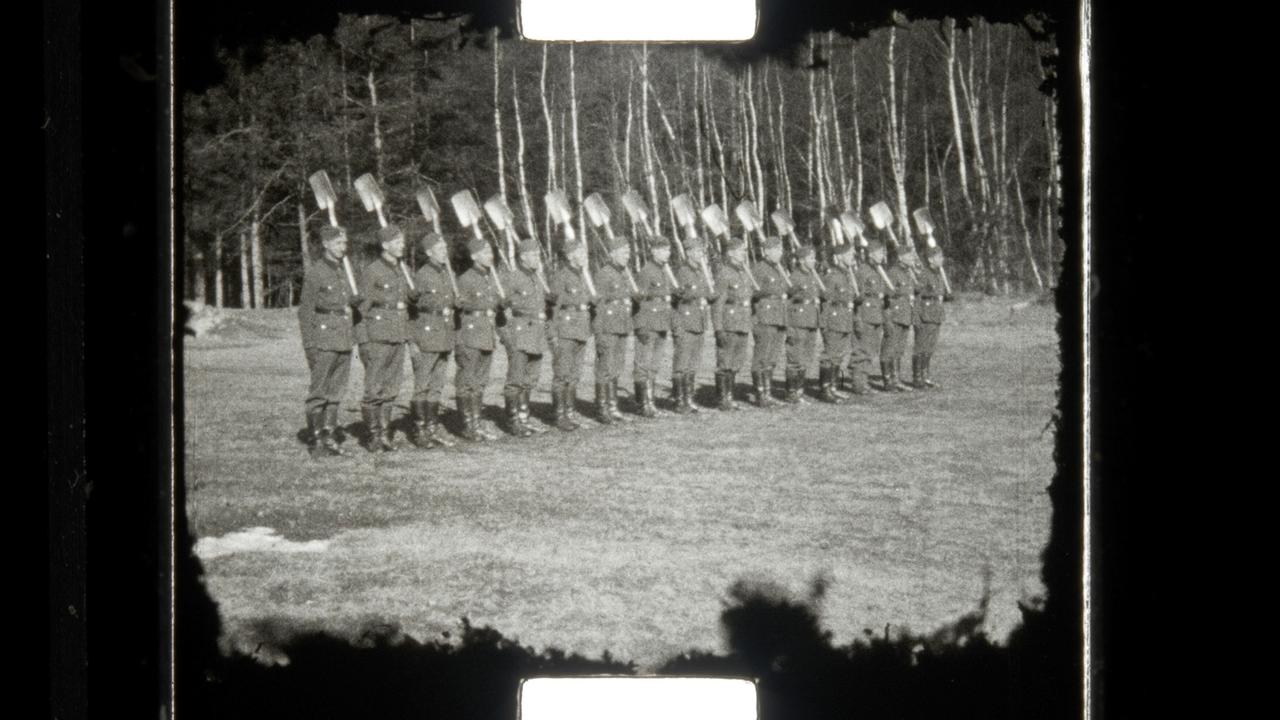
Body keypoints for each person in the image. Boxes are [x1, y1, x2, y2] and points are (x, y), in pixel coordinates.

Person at [297, 225, 358, 457]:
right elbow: (305, 311)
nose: (344, 248)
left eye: (344, 243)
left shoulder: (342, 270)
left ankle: (330, 436)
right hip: (323, 340)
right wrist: (309, 344)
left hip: (342, 339)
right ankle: (317, 441)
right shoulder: (317, 272)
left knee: (336, 392)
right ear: (326, 244)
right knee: (319, 393)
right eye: (339, 244)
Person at [354, 224, 412, 452]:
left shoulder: (402, 269)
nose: (402, 245)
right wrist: (363, 340)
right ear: (385, 245)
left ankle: (385, 434)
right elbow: (362, 309)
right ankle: (373, 436)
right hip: (376, 337)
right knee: (374, 389)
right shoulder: (373, 271)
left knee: (391, 388)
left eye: (402, 241)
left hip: (397, 336)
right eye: (397, 242)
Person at [406, 232, 458, 449]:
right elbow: (410, 309)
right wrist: (412, 340)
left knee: (437, 386)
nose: (445, 252)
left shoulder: (448, 273)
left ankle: (432, 428)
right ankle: (420, 430)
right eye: (440, 249)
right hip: (426, 335)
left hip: (444, 334)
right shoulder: (422, 275)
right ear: (429, 253)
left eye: (446, 248)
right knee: (422, 385)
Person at [499, 238, 550, 437]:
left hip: (537, 333)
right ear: (522, 257)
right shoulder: (514, 277)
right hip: (520, 333)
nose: (538, 258)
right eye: (534, 255)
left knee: (531, 378)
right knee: (516, 379)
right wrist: (506, 335)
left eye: (538, 254)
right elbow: (502, 305)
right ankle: (512, 421)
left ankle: (524, 417)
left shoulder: (536, 277)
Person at [453, 237, 503, 441]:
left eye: (491, 252)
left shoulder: (489, 277)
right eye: (485, 252)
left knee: (480, 382)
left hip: (486, 333)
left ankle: (477, 422)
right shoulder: (466, 278)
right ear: (474, 256)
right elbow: (460, 305)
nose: (490, 256)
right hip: (471, 334)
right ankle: (468, 426)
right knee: (468, 381)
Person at [548, 239, 593, 431]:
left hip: (581, 330)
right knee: (562, 374)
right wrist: (552, 334)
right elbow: (553, 308)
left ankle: (570, 413)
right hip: (565, 331)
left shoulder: (583, 276)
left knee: (574, 375)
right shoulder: (561, 277)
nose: (584, 255)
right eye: (580, 252)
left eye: (584, 251)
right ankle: (559, 415)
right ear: (569, 255)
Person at [591, 235, 636, 424]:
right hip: (607, 328)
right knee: (605, 369)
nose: (628, 255)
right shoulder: (604, 274)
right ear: (612, 254)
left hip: (621, 326)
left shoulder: (623, 273)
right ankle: (602, 408)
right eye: (624, 252)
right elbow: (599, 306)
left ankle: (613, 406)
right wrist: (599, 333)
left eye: (628, 252)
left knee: (616, 368)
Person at [631, 235, 677, 418]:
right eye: (664, 250)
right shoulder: (646, 272)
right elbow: (639, 300)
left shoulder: (663, 270)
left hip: (661, 324)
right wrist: (640, 325)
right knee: (643, 364)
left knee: (654, 365)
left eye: (668, 250)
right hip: (648, 324)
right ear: (654, 251)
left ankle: (650, 401)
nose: (668, 253)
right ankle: (643, 403)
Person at [671, 237, 716, 414]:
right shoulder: (682, 272)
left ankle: (688, 398)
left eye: (702, 252)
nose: (701, 255)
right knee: (682, 363)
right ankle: (679, 400)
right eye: (697, 251)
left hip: (699, 321)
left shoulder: (701, 271)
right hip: (685, 321)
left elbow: (706, 293)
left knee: (692, 363)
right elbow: (679, 295)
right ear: (688, 252)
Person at [711, 236, 753, 411]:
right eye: (741, 250)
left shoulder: (743, 272)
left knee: (737, 361)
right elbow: (718, 303)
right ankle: (723, 399)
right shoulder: (724, 273)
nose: (744, 253)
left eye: (744, 250)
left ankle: (730, 396)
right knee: (725, 362)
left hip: (743, 321)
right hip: (729, 322)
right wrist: (718, 328)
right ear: (730, 253)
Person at [750, 236, 789, 408]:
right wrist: (768, 292)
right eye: (776, 250)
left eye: (780, 249)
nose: (780, 253)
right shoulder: (759, 269)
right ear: (766, 252)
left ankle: (768, 392)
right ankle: (760, 394)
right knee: (762, 357)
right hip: (764, 317)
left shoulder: (779, 268)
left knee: (772, 357)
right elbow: (752, 292)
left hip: (779, 317)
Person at [818, 242, 858, 403]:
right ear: (839, 257)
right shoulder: (832, 276)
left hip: (844, 318)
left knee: (838, 356)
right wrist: (825, 323)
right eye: (848, 255)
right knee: (830, 355)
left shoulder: (847, 275)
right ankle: (825, 389)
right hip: (833, 320)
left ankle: (833, 387)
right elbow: (825, 300)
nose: (852, 257)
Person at [847, 241, 889, 395]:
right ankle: (858, 384)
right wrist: (857, 317)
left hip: (876, 315)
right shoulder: (862, 271)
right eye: (878, 253)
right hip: (864, 315)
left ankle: (863, 382)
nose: (882, 256)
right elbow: (854, 293)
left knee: (871, 350)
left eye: (883, 253)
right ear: (871, 254)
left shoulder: (878, 271)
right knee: (861, 351)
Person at [784, 244, 822, 404]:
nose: (814, 261)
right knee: (796, 357)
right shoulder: (794, 277)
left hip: (811, 320)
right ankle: (791, 392)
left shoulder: (813, 276)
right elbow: (786, 299)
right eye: (811, 258)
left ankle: (799, 390)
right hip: (797, 322)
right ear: (801, 260)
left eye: (814, 258)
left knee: (806, 357)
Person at [881, 245, 918, 392]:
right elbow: (886, 294)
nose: (912, 259)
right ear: (901, 257)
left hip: (904, 315)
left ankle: (895, 379)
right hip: (894, 315)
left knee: (899, 349)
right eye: (909, 256)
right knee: (889, 348)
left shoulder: (908, 272)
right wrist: (888, 316)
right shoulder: (893, 272)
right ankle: (888, 381)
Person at [911, 245, 949, 389]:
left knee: (930, 348)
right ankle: (917, 378)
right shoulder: (924, 274)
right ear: (930, 259)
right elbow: (917, 297)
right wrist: (916, 317)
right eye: (939, 257)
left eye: (941, 256)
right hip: (925, 316)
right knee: (920, 347)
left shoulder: (939, 274)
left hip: (935, 315)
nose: (942, 259)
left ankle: (925, 376)